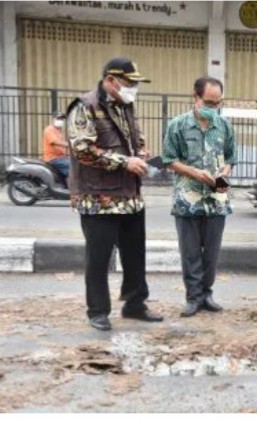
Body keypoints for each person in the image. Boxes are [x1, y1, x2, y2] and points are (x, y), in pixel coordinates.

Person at [65, 57, 163, 331]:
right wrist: (125, 162)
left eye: (135, 83)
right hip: (98, 200)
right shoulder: (84, 107)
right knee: (98, 258)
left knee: (135, 255)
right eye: (129, 83)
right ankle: (97, 311)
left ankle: (135, 304)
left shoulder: (126, 107)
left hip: (130, 197)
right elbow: (82, 149)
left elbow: (137, 139)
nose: (133, 88)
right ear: (110, 80)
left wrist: (142, 154)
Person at [162, 76, 237, 317]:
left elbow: (230, 159)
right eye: (209, 102)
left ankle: (207, 294)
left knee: (212, 252)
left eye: (218, 103)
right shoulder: (177, 125)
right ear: (195, 98)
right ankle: (193, 298)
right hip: (187, 198)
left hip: (217, 199)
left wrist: (221, 183)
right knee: (191, 252)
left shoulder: (225, 126)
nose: (213, 108)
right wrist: (195, 173)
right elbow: (168, 160)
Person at [42, 111, 70, 178]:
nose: (60, 121)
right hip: (53, 158)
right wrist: (71, 145)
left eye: (62, 119)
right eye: (58, 118)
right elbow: (55, 142)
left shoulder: (58, 131)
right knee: (73, 166)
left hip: (60, 157)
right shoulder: (49, 130)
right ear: (53, 119)